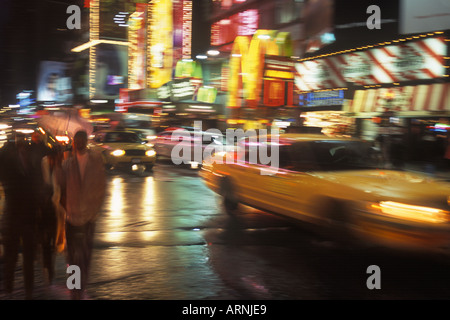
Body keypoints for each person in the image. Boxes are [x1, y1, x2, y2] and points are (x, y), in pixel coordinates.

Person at [60, 130, 106, 299]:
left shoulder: (95, 161)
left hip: (88, 217)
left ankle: (81, 287)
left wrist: (95, 210)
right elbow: (59, 184)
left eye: (80, 141)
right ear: (73, 143)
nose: (78, 144)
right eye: (75, 141)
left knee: (85, 256)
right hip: (71, 217)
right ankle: (74, 290)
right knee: (72, 256)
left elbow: (101, 186)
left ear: (85, 142)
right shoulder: (67, 163)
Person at [0, 133, 42, 299]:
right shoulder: (8, 161)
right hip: (12, 215)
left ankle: (29, 291)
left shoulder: (33, 160)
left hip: (30, 216)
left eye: (24, 142)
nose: (22, 145)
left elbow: (38, 181)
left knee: (29, 257)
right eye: (19, 142)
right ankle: (9, 288)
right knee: (10, 256)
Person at [40, 145, 65, 285]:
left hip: (57, 209)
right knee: (46, 241)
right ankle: (48, 267)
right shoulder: (42, 164)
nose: (53, 160)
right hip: (44, 208)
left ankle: (50, 267)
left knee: (54, 241)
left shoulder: (62, 167)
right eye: (52, 158)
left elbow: (63, 188)